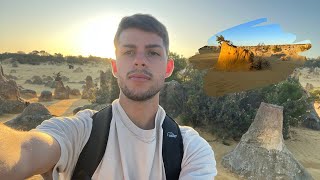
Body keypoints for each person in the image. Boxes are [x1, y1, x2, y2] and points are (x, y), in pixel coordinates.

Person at [0, 13, 217, 179]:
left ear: (169, 67)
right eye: (129, 52)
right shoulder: (81, 131)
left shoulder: (190, 148)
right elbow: (24, 151)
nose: (139, 60)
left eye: (153, 52)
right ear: (114, 66)